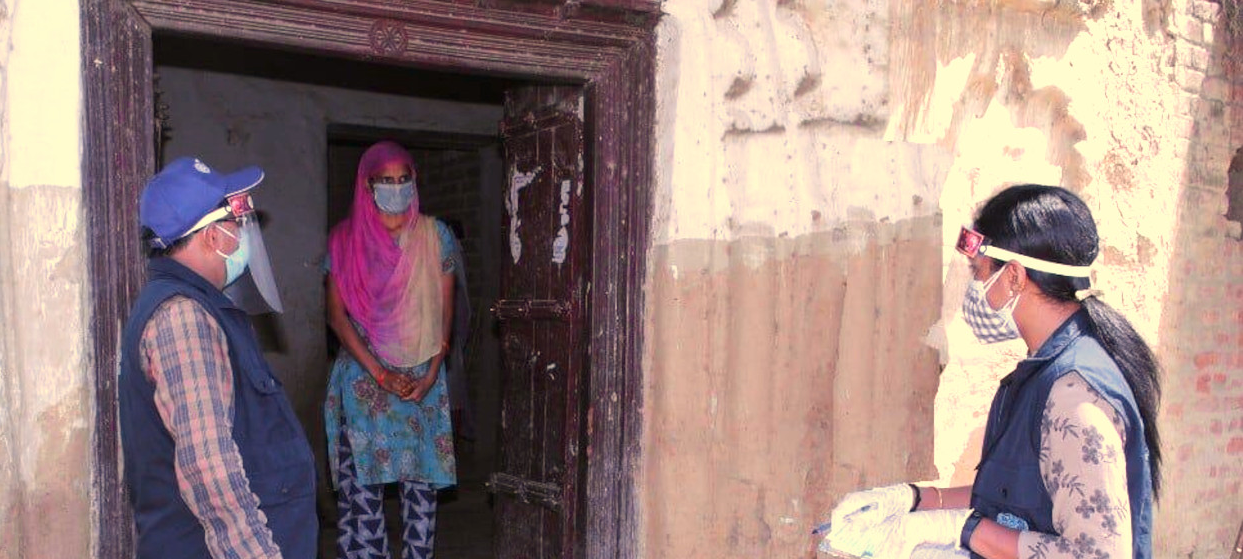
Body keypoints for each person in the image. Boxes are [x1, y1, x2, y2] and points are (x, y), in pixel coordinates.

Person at [820, 185, 1162, 559]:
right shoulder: (1042, 372)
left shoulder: (1074, 394)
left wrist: (962, 530)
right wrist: (916, 500)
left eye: (979, 273)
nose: (977, 288)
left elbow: (1098, 555)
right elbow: (1016, 497)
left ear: (1014, 276)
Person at [118, 156, 317, 559]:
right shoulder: (183, 317)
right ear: (212, 236)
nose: (243, 233)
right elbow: (209, 468)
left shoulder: (202, 308)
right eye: (236, 223)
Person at [324, 141, 457, 559]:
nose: (397, 189)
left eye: (404, 179)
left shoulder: (435, 236)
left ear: (414, 181)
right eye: (386, 181)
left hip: (421, 378)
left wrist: (432, 371)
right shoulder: (345, 240)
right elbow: (337, 317)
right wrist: (379, 373)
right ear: (368, 185)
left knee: (421, 487)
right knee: (364, 487)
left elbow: (445, 312)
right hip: (365, 379)